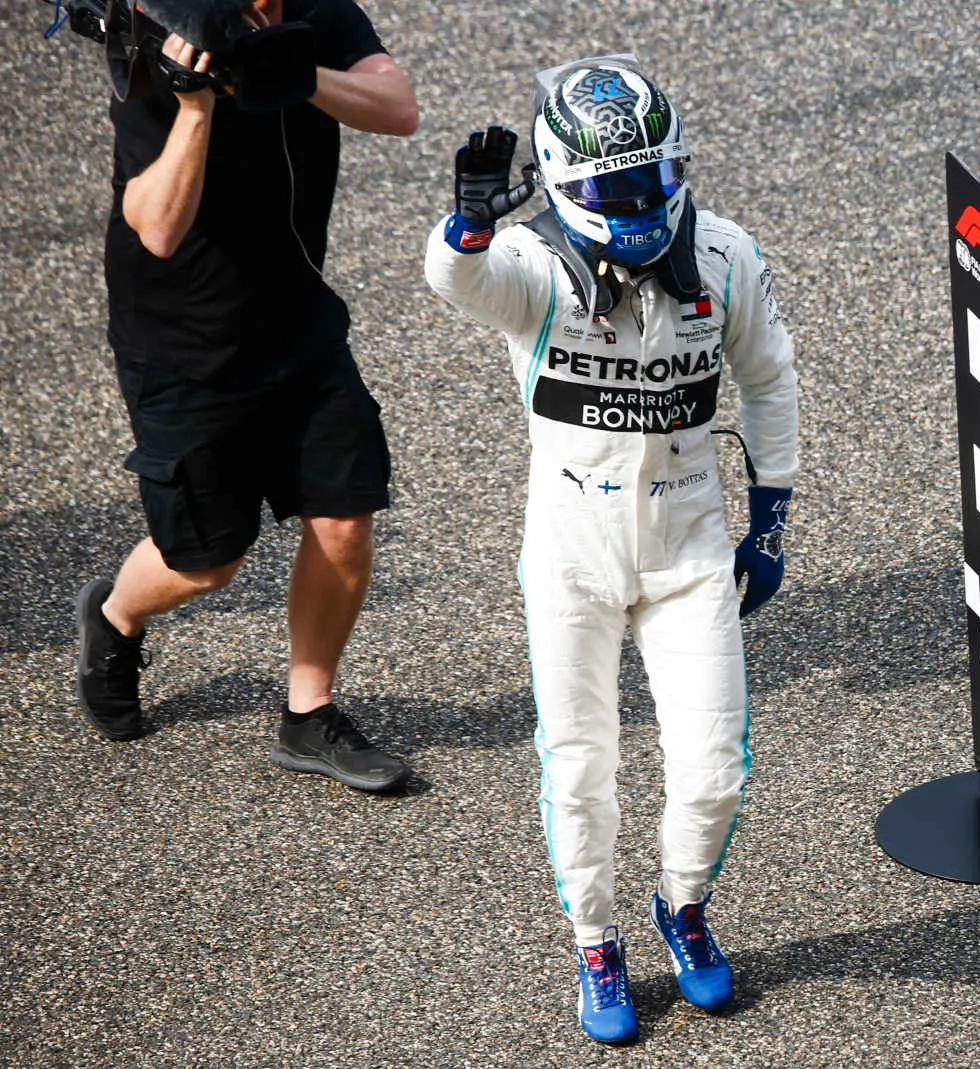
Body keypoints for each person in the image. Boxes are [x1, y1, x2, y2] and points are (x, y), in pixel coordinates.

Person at [423, 55, 799, 1044]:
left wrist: (770, 519)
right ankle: (596, 941)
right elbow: (455, 279)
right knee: (579, 770)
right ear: (559, 181)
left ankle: (681, 911)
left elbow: (769, 381)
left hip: (688, 547)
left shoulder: (724, 256)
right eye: (608, 188)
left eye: (649, 181)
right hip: (569, 553)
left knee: (713, 769)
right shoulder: (532, 270)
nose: (634, 203)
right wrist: (465, 224)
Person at [74, 0, 420, 793]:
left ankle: (309, 712)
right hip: (183, 346)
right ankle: (115, 615)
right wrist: (195, 106)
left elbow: (397, 108)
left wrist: (292, 73)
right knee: (207, 563)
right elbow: (154, 227)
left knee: (344, 520)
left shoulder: (317, 14)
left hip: (299, 323)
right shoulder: (161, 39)